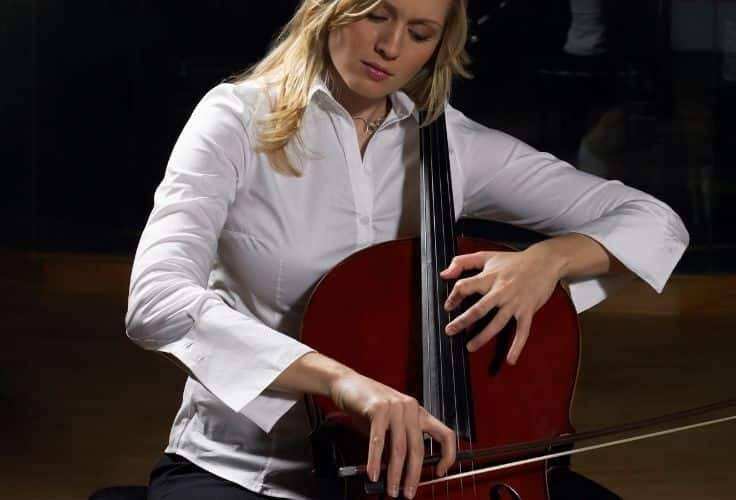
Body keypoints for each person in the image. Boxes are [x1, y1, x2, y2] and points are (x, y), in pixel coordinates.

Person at [125, 0, 688, 499]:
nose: (391, 46)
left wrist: (550, 260)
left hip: (432, 470)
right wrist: (342, 382)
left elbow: (655, 222)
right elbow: (158, 300)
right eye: (377, 15)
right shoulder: (239, 120)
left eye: (419, 32)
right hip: (247, 468)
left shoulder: (450, 141)